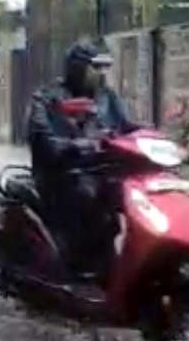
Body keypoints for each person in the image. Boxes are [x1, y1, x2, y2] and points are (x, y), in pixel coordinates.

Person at [27, 42, 138, 277]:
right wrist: (78, 146)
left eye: (103, 69)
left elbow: (127, 128)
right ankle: (81, 268)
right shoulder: (47, 98)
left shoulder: (107, 96)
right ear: (77, 68)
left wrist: (162, 136)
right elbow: (44, 142)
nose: (101, 74)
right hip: (61, 175)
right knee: (88, 195)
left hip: (101, 171)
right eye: (95, 68)